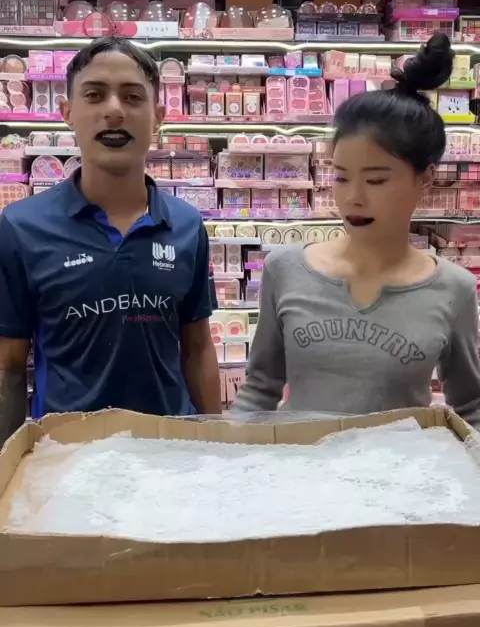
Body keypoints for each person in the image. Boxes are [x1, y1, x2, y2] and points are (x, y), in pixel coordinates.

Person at [233, 33, 480, 428]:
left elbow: (471, 408)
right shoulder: (285, 268)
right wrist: (230, 448)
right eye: (341, 177)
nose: (353, 198)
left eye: (376, 180)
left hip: (401, 465)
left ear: (425, 179)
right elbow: (259, 390)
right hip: (300, 463)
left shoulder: (454, 289)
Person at [0, 35, 222, 448]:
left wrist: (218, 444)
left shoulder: (187, 225)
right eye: (95, 95)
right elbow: (8, 365)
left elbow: (197, 349)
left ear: (158, 117)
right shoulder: (20, 226)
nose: (115, 110)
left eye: (133, 97)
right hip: (66, 459)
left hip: (172, 455)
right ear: (67, 113)